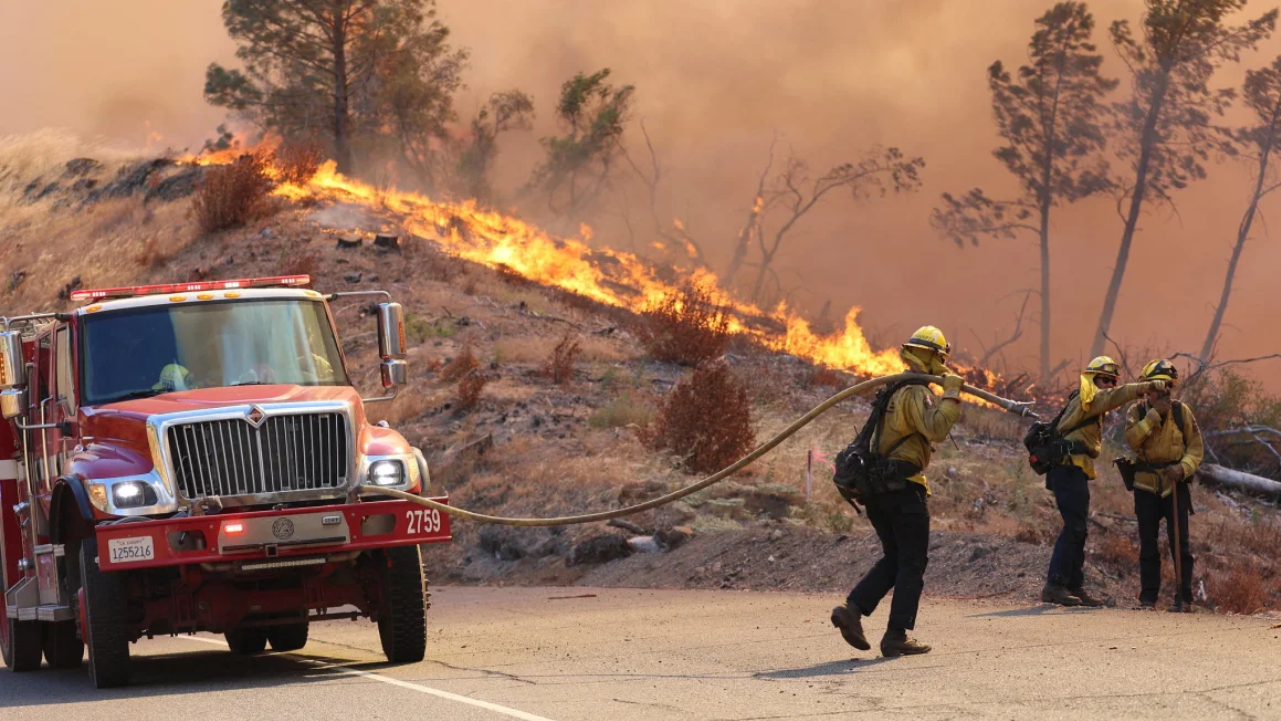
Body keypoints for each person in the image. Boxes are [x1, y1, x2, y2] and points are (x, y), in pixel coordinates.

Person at [830, 325, 964, 657]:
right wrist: (952, 395)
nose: (942, 366)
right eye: (940, 359)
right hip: (903, 488)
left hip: (879, 490)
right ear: (931, 356)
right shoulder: (916, 392)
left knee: (897, 557)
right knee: (913, 561)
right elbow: (937, 428)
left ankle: (854, 609)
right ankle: (896, 635)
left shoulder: (892, 389)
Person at [1042, 357, 1166, 607]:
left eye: (1112, 381)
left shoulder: (1090, 402)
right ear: (1093, 378)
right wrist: (1143, 388)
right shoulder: (1089, 398)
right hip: (1067, 470)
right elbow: (1113, 397)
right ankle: (1055, 585)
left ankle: (1074, 586)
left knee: (1080, 529)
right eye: (1105, 380)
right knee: (1074, 527)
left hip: (1075, 470)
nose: (1109, 385)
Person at [1123, 359, 1203, 611]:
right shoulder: (1136, 413)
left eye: (1168, 386)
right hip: (1145, 485)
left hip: (1174, 485)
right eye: (1158, 386)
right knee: (1148, 543)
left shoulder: (1182, 412)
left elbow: (1195, 448)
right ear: (1147, 388)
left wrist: (1182, 468)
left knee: (1180, 544)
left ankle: (1184, 598)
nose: (1163, 391)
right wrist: (1154, 414)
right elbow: (1133, 441)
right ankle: (1148, 598)